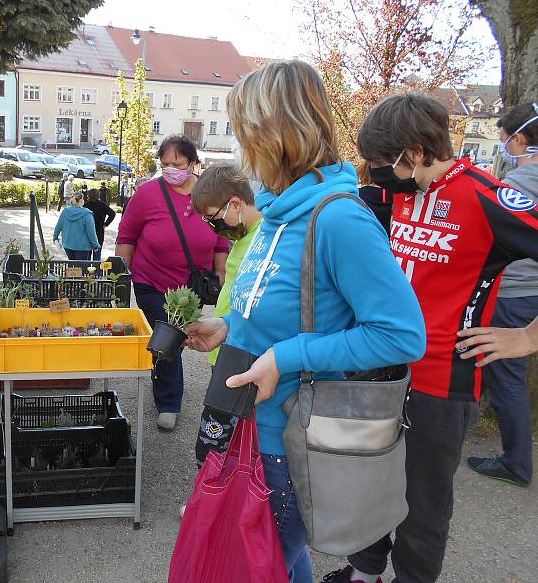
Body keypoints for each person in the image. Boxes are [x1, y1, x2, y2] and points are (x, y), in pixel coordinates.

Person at [184, 61, 426, 583]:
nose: (241, 149)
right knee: (277, 561)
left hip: (290, 440)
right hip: (250, 426)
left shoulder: (339, 217)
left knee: (274, 558)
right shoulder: (275, 213)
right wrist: (231, 327)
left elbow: (402, 334)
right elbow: (286, 308)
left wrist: (287, 357)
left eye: (245, 132)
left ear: (277, 135)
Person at [324, 93, 538, 583]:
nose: (379, 172)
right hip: (377, 369)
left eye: (385, 162)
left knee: (422, 504)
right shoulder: (394, 193)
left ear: (415, 151)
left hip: (442, 381)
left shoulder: (487, 197)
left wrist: (524, 338)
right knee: (370, 480)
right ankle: (363, 571)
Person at [116, 134, 229, 431]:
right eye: (165, 164)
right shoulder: (147, 194)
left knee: (178, 336)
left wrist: (220, 275)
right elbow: (127, 235)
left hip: (190, 288)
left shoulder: (210, 195)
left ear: (193, 163)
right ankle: (168, 401)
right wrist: (119, 274)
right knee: (167, 335)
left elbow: (221, 241)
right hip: (150, 280)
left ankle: (165, 380)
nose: (170, 170)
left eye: (177, 164)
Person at [464, 102, 538, 487]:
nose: (503, 144)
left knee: (505, 376)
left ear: (520, 139)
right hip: (531, 293)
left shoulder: (518, 187)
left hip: (513, 294)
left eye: (505, 138)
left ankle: (516, 463)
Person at [190, 163, 262, 464]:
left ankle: (214, 502)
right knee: (219, 440)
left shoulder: (262, 240)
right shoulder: (245, 236)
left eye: (213, 218)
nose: (213, 227)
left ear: (235, 203)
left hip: (239, 354)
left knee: (217, 441)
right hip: (224, 347)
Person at [53, 192, 100, 261]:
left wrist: (55, 237)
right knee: (81, 268)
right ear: (81, 201)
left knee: (72, 267)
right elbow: (91, 232)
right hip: (83, 247)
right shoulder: (87, 214)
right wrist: (95, 245)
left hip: (68, 245)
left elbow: (58, 226)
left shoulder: (65, 211)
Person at [83, 188, 116, 262]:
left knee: (87, 256)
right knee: (97, 255)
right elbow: (112, 213)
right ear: (98, 195)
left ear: (88, 195)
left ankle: (86, 271)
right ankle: (96, 271)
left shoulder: (85, 205)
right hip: (99, 230)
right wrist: (105, 224)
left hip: (87, 231)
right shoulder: (102, 205)